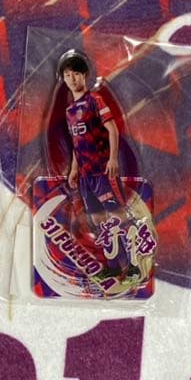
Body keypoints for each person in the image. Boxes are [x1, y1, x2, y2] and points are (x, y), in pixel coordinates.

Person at [58, 50, 139, 283]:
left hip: (102, 171)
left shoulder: (95, 100)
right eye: (67, 75)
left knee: (117, 216)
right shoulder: (69, 111)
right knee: (97, 221)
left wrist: (113, 159)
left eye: (76, 74)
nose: (72, 79)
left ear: (84, 75)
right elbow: (76, 142)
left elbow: (112, 129)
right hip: (85, 176)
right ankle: (114, 266)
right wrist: (74, 169)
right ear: (63, 79)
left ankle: (134, 266)